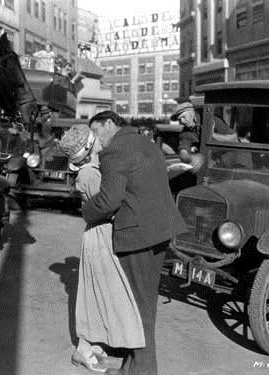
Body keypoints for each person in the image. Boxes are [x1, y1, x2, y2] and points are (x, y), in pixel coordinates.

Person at [82, 111, 186, 375]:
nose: (97, 140)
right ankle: (132, 365)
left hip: (138, 235)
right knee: (144, 301)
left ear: (110, 124)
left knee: (137, 307)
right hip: (161, 230)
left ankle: (144, 370)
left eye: (97, 131)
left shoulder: (114, 152)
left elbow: (108, 200)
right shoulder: (144, 141)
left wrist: (86, 210)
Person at [57, 124, 145, 373]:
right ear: (89, 148)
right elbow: (108, 206)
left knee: (98, 291)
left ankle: (91, 344)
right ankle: (83, 349)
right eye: (96, 140)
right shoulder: (89, 174)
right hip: (102, 234)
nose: (101, 142)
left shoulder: (93, 170)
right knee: (100, 292)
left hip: (101, 234)